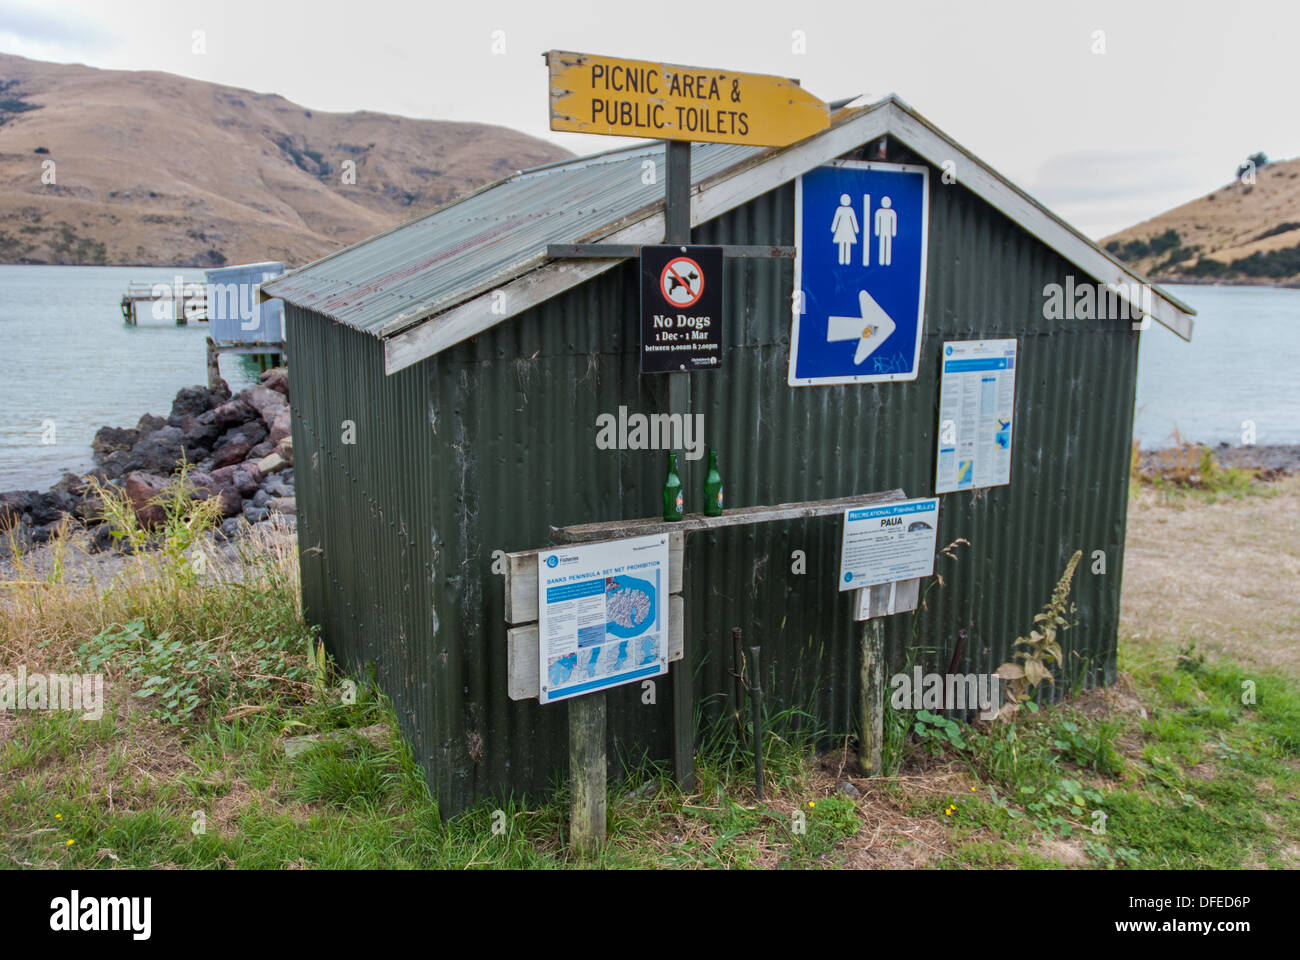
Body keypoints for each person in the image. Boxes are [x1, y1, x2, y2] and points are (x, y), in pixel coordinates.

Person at [830, 193, 859, 265]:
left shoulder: (850, 210)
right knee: (842, 245)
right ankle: (842, 260)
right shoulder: (840, 209)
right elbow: (836, 219)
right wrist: (833, 228)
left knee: (847, 245)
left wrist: (856, 229)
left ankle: (847, 260)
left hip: (848, 231)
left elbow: (853, 220)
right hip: (842, 231)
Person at [875, 196, 898, 266]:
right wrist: (877, 231)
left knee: (888, 245)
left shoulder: (892, 212)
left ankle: (887, 261)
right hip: (882, 232)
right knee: (882, 245)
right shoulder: (879, 212)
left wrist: (893, 232)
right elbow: (877, 222)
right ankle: (881, 260)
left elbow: (893, 223)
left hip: (888, 232)